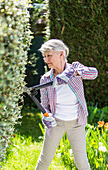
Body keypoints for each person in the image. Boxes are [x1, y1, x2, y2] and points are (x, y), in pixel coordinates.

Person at [35, 39, 98, 170]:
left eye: (49, 55)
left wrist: (73, 73)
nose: (46, 59)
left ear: (61, 54)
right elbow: (44, 105)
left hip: (76, 123)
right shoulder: (46, 79)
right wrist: (46, 117)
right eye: (44, 56)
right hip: (55, 123)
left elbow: (94, 73)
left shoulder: (75, 68)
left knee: (81, 162)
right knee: (44, 160)